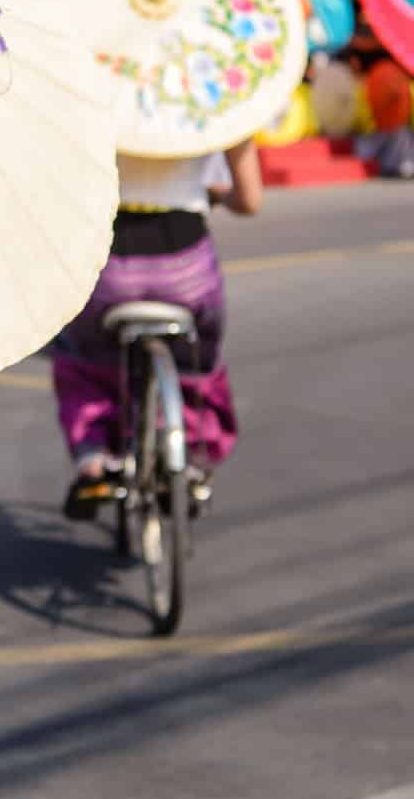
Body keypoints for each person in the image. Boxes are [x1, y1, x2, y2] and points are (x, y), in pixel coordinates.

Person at [52, 139, 262, 520]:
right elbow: (250, 201)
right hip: (186, 269)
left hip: (107, 266)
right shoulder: (212, 105)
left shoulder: (98, 94)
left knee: (81, 357)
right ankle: (189, 453)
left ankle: (94, 459)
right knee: (199, 359)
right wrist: (215, 197)